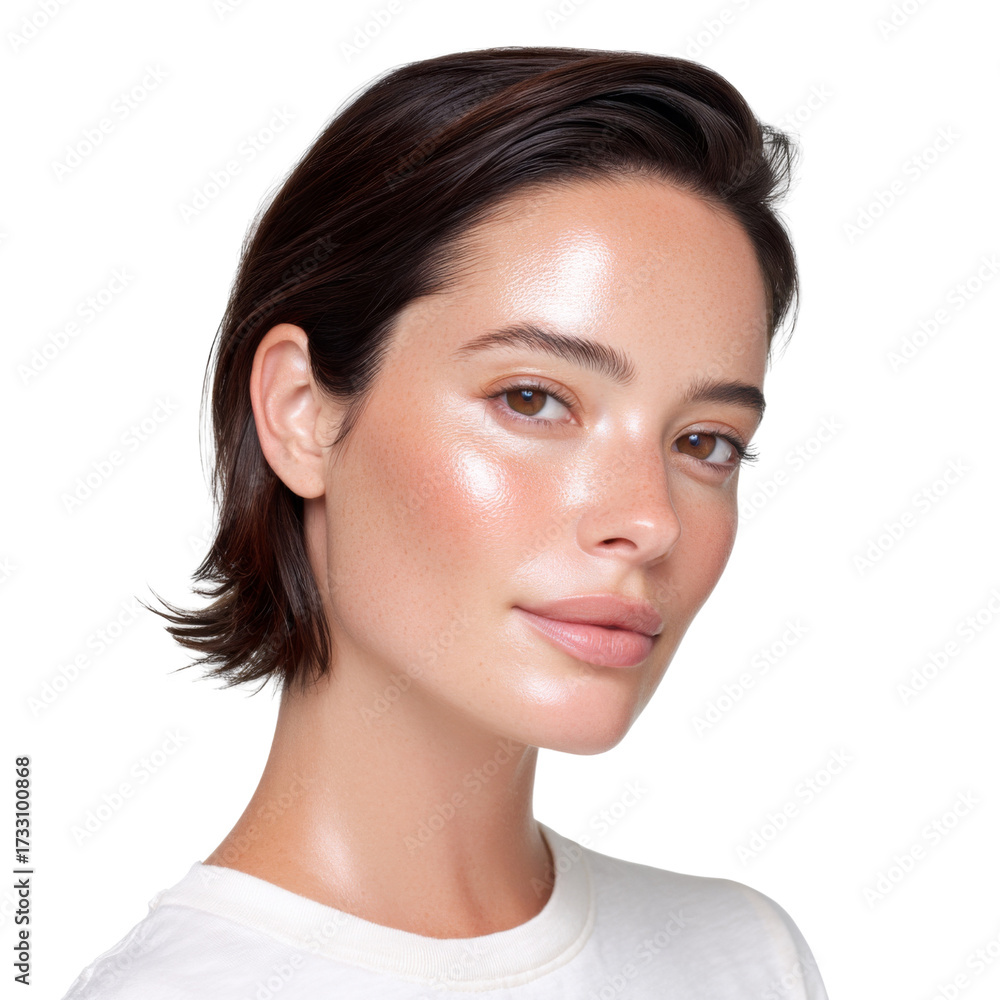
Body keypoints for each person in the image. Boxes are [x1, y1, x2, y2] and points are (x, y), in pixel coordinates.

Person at [62, 45, 829, 998]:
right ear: (301, 413)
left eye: (706, 442)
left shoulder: (744, 958)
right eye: (533, 399)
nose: (649, 520)